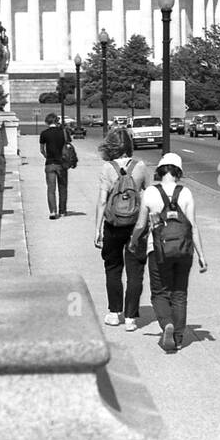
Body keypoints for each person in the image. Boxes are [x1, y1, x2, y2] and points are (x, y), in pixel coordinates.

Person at [132, 152, 204, 353]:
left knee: (159, 293)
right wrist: (201, 256)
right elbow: (193, 226)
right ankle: (179, 337)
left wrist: (133, 240)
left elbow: (140, 224)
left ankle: (167, 325)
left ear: (161, 170)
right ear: (178, 171)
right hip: (184, 250)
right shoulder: (186, 192)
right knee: (180, 293)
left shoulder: (150, 193)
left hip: (158, 250)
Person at [94, 127, 149, 331]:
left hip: (113, 224)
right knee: (135, 270)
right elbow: (146, 195)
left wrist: (97, 229)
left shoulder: (108, 168)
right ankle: (131, 318)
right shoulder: (141, 166)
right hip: (136, 224)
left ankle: (114, 312)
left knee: (113, 268)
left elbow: (102, 201)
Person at [39, 113, 69, 220]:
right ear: (56, 121)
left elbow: (42, 150)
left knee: (51, 189)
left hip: (50, 163)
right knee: (63, 187)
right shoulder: (63, 132)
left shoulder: (44, 134)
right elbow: (67, 145)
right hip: (61, 163)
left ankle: (52, 211)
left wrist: (47, 156)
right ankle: (62, 211)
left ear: (47, 122)